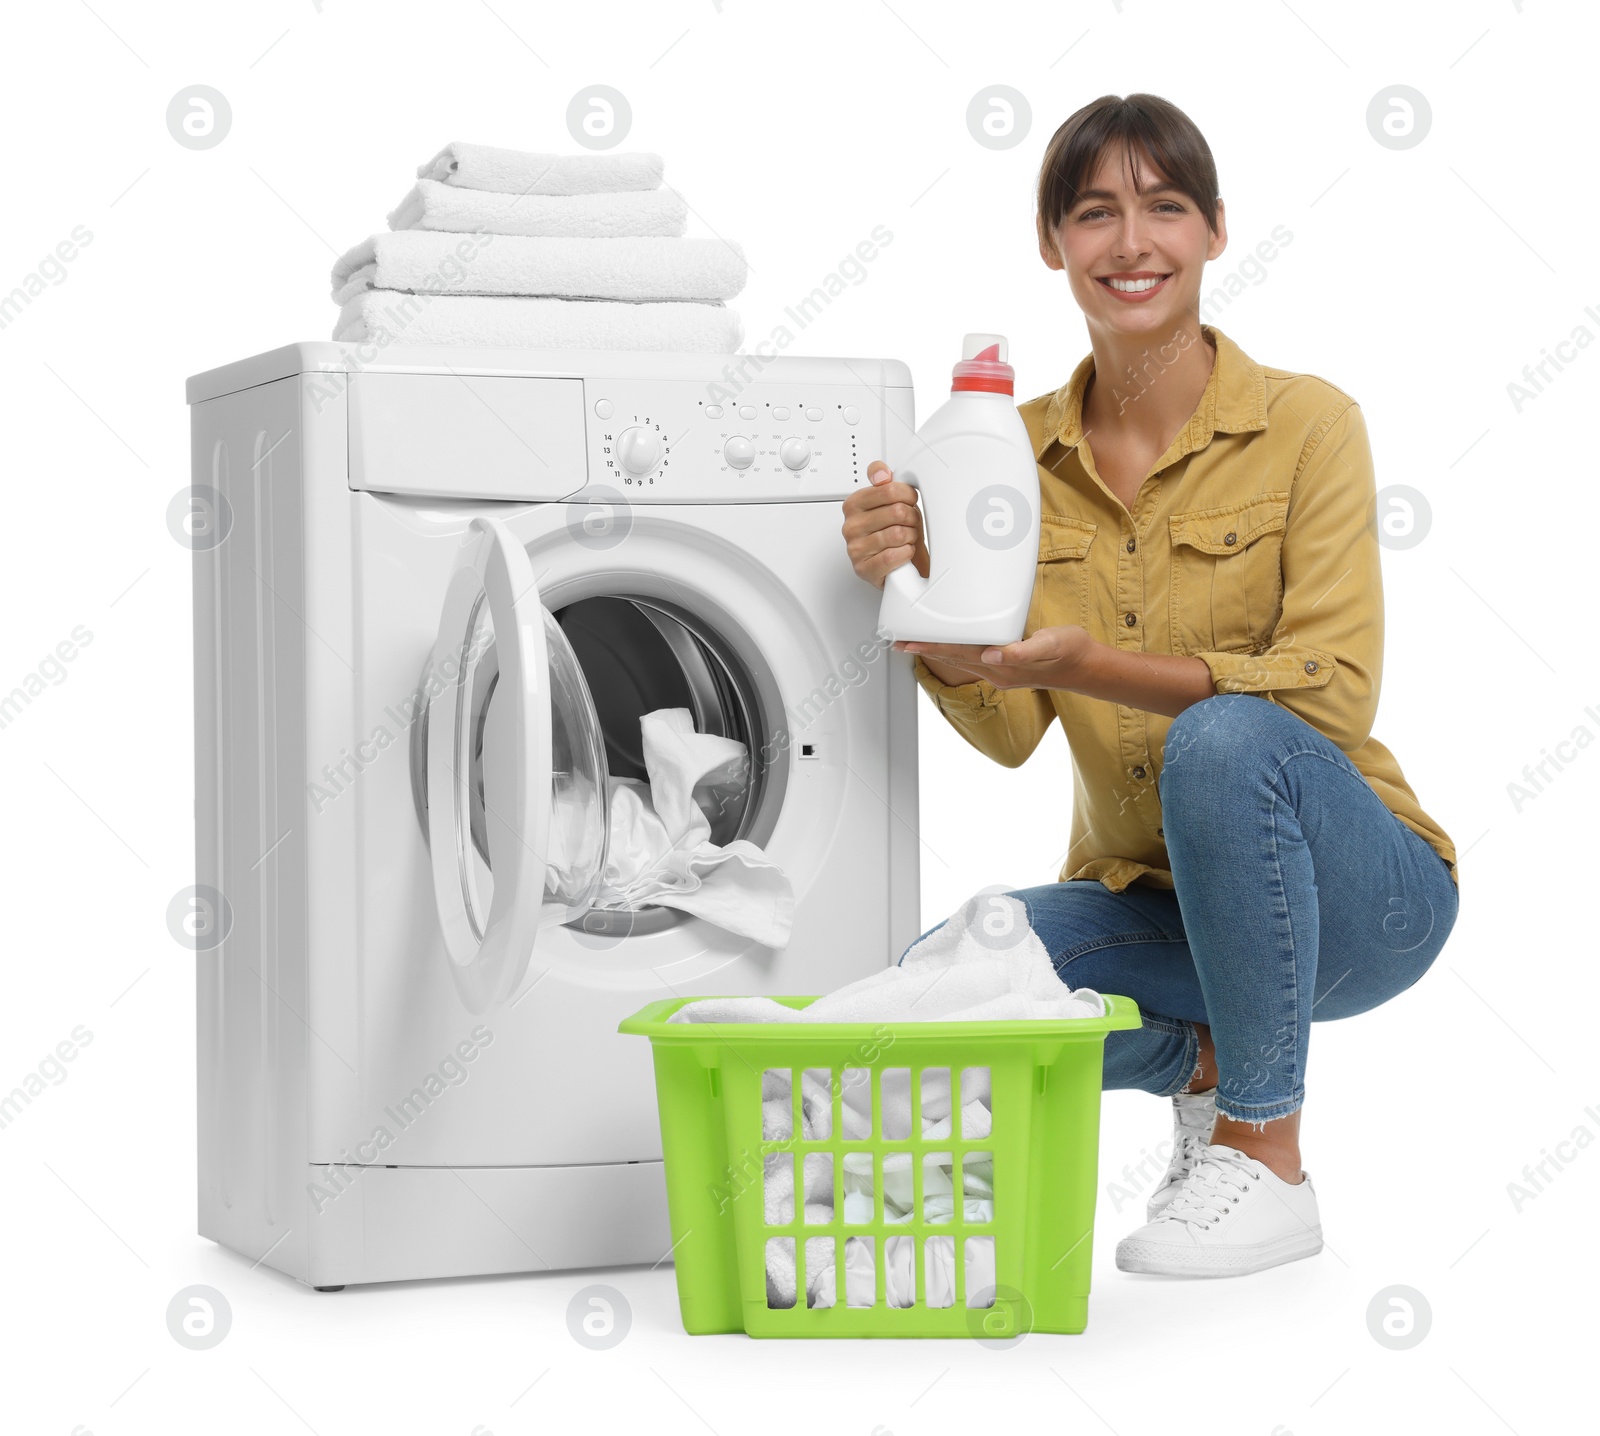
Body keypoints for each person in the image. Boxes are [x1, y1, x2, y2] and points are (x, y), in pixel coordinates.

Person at [840, 93, 1458, 1278]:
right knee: (949, 978)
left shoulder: (1308, 426)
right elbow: (1015, 727)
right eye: (1094, 213)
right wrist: (916, 601)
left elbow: (1330, 695)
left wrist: (1102, 664)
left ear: (1215, 231)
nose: (1131, 243)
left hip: (1363, 904)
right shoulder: (1003, 453)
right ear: (1049, 239)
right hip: (1157, 910)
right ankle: (1205, 1061)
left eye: (1164, 207)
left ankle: (1264, 1148)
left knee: (1222, 740)